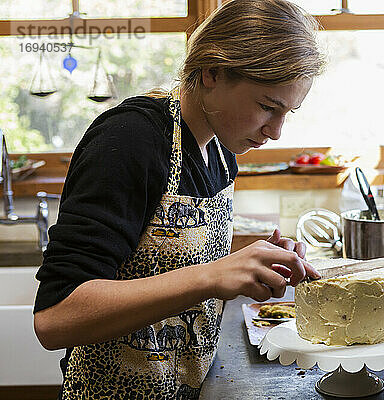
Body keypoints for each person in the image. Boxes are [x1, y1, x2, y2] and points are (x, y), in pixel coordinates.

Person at [32, 0, 325, 398]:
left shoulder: (220, 149)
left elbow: (164, 246)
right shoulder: (131, 140)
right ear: (212, 73)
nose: (275, 132)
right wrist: (211, 277)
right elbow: (56, 317)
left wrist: (256, 257)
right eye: (267, 107)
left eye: (288, 112)